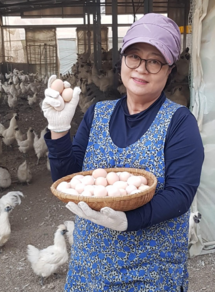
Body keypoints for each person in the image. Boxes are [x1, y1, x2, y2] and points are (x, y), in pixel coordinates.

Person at [42, 13, 204, 292]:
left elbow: (181, 194)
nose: (141, 68)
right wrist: (59, 130)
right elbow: (69, 179)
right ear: (123, 61)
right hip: (88, 270)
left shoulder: (179, 122)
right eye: (134, 56)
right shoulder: (97, 114)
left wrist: (130, 219)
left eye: (154, 61)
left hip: (150, 275)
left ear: (169, 69)